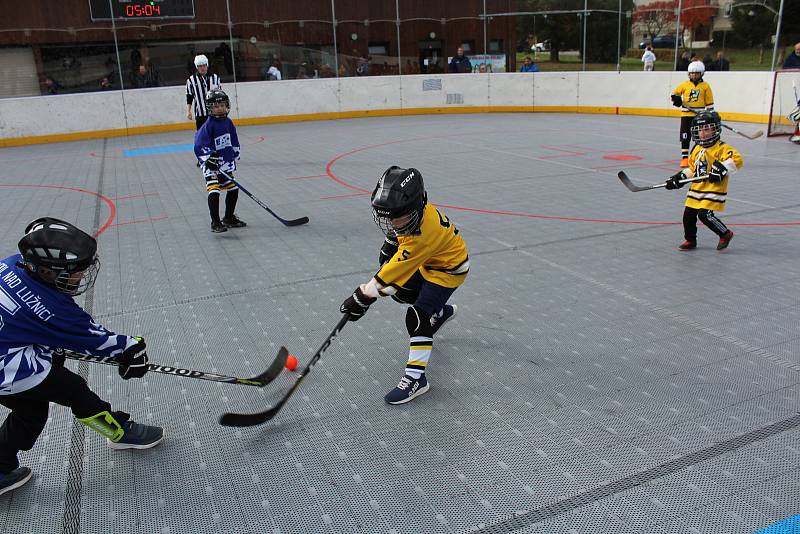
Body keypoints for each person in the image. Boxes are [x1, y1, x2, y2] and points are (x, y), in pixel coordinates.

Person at [0, 218, 163, 496]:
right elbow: (99, 341)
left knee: (30, 411)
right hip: (8, 368)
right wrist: (133, 349)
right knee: (74, 391)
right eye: (74, 271)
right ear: (47, 271)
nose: (80, 277)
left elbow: (23, 316)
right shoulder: (53, 310)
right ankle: (121, 432)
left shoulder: (11, 264)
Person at [339, 166, 469, 405]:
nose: (393, 223)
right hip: (431, 262)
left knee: (416, 317)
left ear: (416, 208)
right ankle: (440, 312)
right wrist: (391, 242)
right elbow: (400, 237)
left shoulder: (422, 236)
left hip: (447, 270)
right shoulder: (413, 214)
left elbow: (390, 275)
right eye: (388, 218)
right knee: (401, 294)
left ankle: (416, 379)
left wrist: (362, 297)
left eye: (398, 217)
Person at [664, 112, 742, 251]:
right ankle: (690, 240)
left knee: (704, 215)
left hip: (714, 189)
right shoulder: (696, 149)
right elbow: (692, 169)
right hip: (697, 189)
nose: (703, 133)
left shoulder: (722, 148)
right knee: (688, 216)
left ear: (715, 129)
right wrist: (679, 178)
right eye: (700, 130)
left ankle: (725, 233)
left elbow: (737, 160)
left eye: (706, 129)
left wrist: (722, 168)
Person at [194, 89, 245, 233]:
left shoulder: (228, 122)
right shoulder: (208, 126)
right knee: (214, 189)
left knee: (233, 188)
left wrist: (234, 153)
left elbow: (233, 139)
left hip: (224, 164)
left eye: (222, 105)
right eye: (216, 106)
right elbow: (198, 145)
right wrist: (207, 159)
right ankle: (215, 222)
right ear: (210, 108)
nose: (220, 108)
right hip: (211, 165)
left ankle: (228, 218)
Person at [670, 61, 714, 168]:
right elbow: (674, 94)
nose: (694, 75)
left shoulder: (705, 86)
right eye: (692, 73)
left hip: (699, 116)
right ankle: (685, 158)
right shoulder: (684, 85)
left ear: (701, 73)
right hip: (686, 115)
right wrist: (677, 100)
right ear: (689, 74)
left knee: (700, 136)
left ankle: (697, 156)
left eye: (696, 73)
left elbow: (709, 103)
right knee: (685, 136)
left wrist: (711, 115)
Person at [186, 54, 222, 131]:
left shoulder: (215, 78)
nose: (202, 68)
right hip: (200, 114)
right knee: (202, 136)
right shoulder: (191, 80)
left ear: (207, 65)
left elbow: (220, 94)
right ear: (197, 67)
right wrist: (188, 111)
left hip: (214, 112)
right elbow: (189, 96)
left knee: (215, 133)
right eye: (200, 66)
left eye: (204, 65)